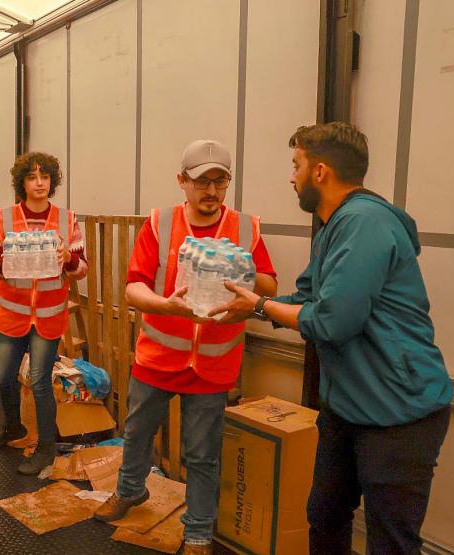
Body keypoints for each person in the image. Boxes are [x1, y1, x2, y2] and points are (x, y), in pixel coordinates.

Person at [210, 122, 453, 555]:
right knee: (324, 516)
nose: (291, 176)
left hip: (399, 414)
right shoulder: (332, 225)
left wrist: (260, 308)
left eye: (296, 165)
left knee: (391, 543)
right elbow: (305, 298)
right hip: (348, 408)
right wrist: (246, 301)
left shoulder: (363, 223)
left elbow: (334, 321)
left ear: (319, 172)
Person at [92, 140, 278, 555]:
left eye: (220, 181)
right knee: (137, 433)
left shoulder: (246, 228)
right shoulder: (160, 223)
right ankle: (130, 490)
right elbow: (133, 287)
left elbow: (268, 286)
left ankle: (197, 530)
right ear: (182, 181)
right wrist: (168, 306)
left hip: (212, 366)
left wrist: (246, 282)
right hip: (158, 357)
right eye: (201, 182)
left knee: (202, 454)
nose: (211, 191)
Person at [0, 152, 88, 475]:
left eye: (45, 177)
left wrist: (67, 260)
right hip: (12, 313)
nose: (39, 183)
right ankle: (13, 426)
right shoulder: (4, 218)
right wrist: (4, 260)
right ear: (22, 182)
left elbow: (82, 269)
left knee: (41, 381)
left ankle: (45, 448)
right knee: (3, 376)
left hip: (48, 314)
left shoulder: (68, 220)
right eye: (32, 177)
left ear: (52, 182)